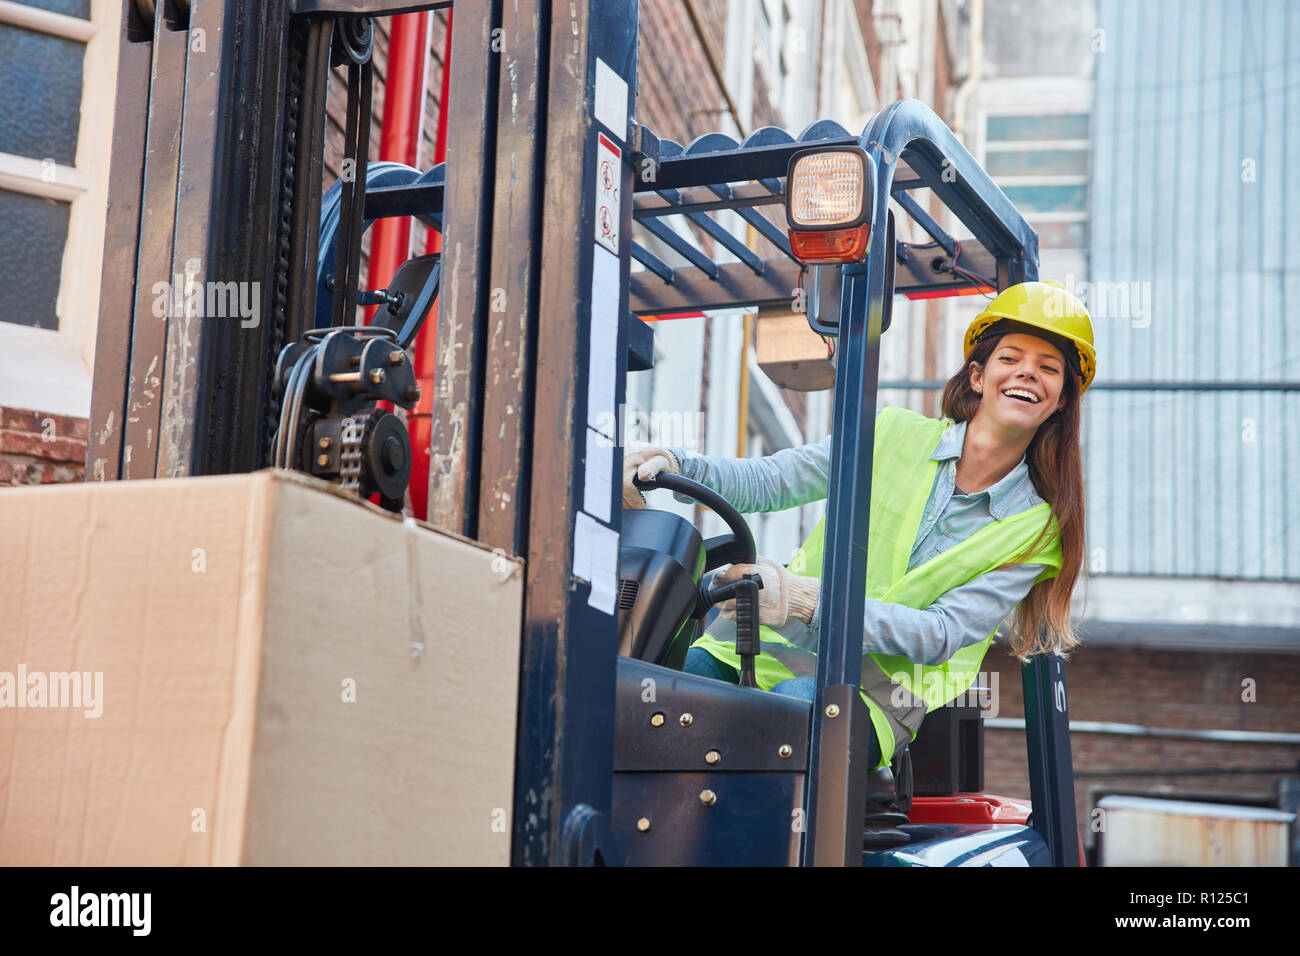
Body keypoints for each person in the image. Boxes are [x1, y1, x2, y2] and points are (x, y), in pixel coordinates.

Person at [622, 280, 1096, 770]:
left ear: (1061, 399)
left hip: (875, 697)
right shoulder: (892, 434)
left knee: (791, 713)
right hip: (761, 647)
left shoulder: (1036, 532)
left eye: (1048, 368)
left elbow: (940, 633)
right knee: (660, 695)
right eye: (1011, 358)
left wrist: (803, 600)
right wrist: (675, 464)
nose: (1026, 374)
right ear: (977, 376)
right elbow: (775, 479)